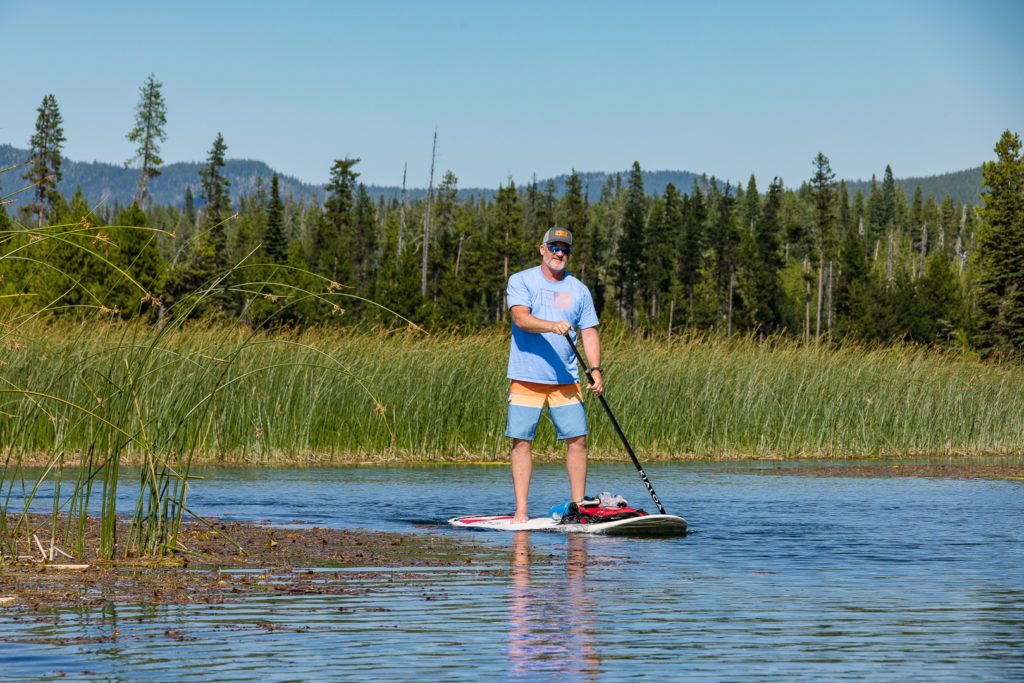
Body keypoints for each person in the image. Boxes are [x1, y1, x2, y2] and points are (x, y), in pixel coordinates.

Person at [506, 226, 603, 523]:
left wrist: (596, 369)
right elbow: (520, 318)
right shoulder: (521, 280)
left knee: (578, 440)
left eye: (565, 249)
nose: (559, 253)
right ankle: (521, 510)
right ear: (542, 249)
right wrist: (552, 325)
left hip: (566, 379)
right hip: (526, 377)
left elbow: (589, 331)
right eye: (554, 247)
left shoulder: (579, 289)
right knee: (522, 441)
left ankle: (578, 508)